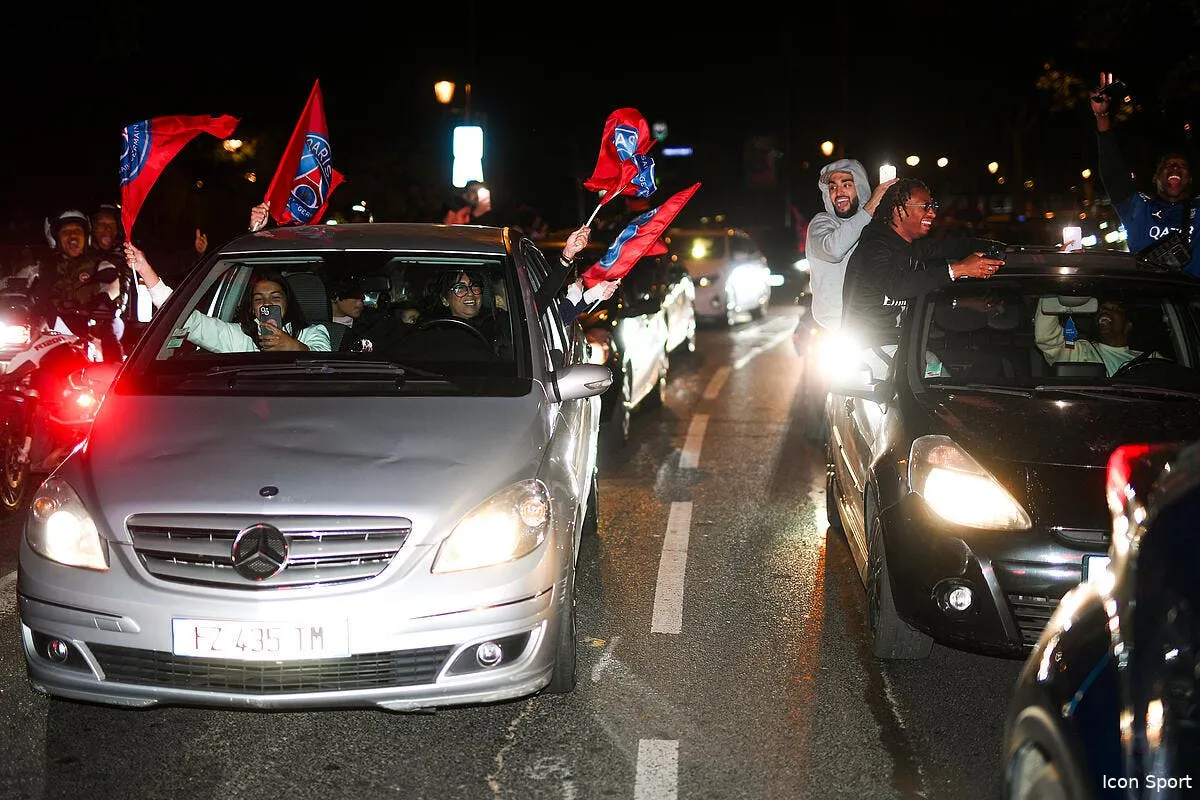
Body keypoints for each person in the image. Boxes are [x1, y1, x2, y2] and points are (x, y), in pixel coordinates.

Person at [841, 179, 1004, 374]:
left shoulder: (910, 247)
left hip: (903, 347)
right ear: (898, 210)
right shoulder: (874, 247)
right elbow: (896, 287)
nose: (932, 213)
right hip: (868, 352)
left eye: (934, 206)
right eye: (925, 207)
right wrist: (959, 269)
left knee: (961, 371)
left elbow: (954, 247)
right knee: (936, 375)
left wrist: (1000, 249)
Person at [123, 242, 330, 353]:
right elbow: (186, 320)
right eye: (259, 299)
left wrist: (293, 346)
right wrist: (145, 271)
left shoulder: (313, 333)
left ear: (288, 302)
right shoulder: (238, 336)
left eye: (275, 297)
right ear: (251, 307)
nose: (267, 303)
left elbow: (328, 369)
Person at [1091, 76, 1200, 277]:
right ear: (1156, 177)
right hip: (1148, 295)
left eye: (1182, 166)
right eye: (1168, 165)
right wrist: (1102, 116)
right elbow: (1113, 171)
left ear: (1190, 178)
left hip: (1191, 296)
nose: (1175, 168)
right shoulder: (1139, 208)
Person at [806, 159, 896, 330]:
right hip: (834, 328)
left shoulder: (876, 225)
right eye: (832, 187)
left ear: (860, 188)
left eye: (846, 185)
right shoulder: (821, 223)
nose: (838, 192)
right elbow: (834, 250)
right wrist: (870, 207)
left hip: (873, 324)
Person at [33, 209, 125, 362]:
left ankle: (116, 371)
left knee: (108, 335)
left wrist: (102, 300)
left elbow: (112, 285)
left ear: (86, 237)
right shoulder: (45, 268)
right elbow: (26, 288)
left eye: (77, 231)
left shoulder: (99, 263)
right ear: (56, 239)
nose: (72, 236)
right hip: (53, 332)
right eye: (66, 232)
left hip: (90, 329)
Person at [1034, 297, 1142, 376]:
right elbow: (1047, 337)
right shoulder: (1081, 351)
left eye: (1115, 309)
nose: (1104, 311)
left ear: (1128, 325)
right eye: (1101, 309)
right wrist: (1054, 291)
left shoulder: (1146, 359)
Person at [89, 204, 137, 348]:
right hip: (85, 324)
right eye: (102, 224)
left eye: (111, 225)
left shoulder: (127, 254)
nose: (107, 229)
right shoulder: (82, 257)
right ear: (92, 228)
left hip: (121, 325)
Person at [552, 226, 618, 324]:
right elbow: (560, 320)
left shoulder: (573, 284)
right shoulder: (565, 280)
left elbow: (560, 320)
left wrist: (593, 293)